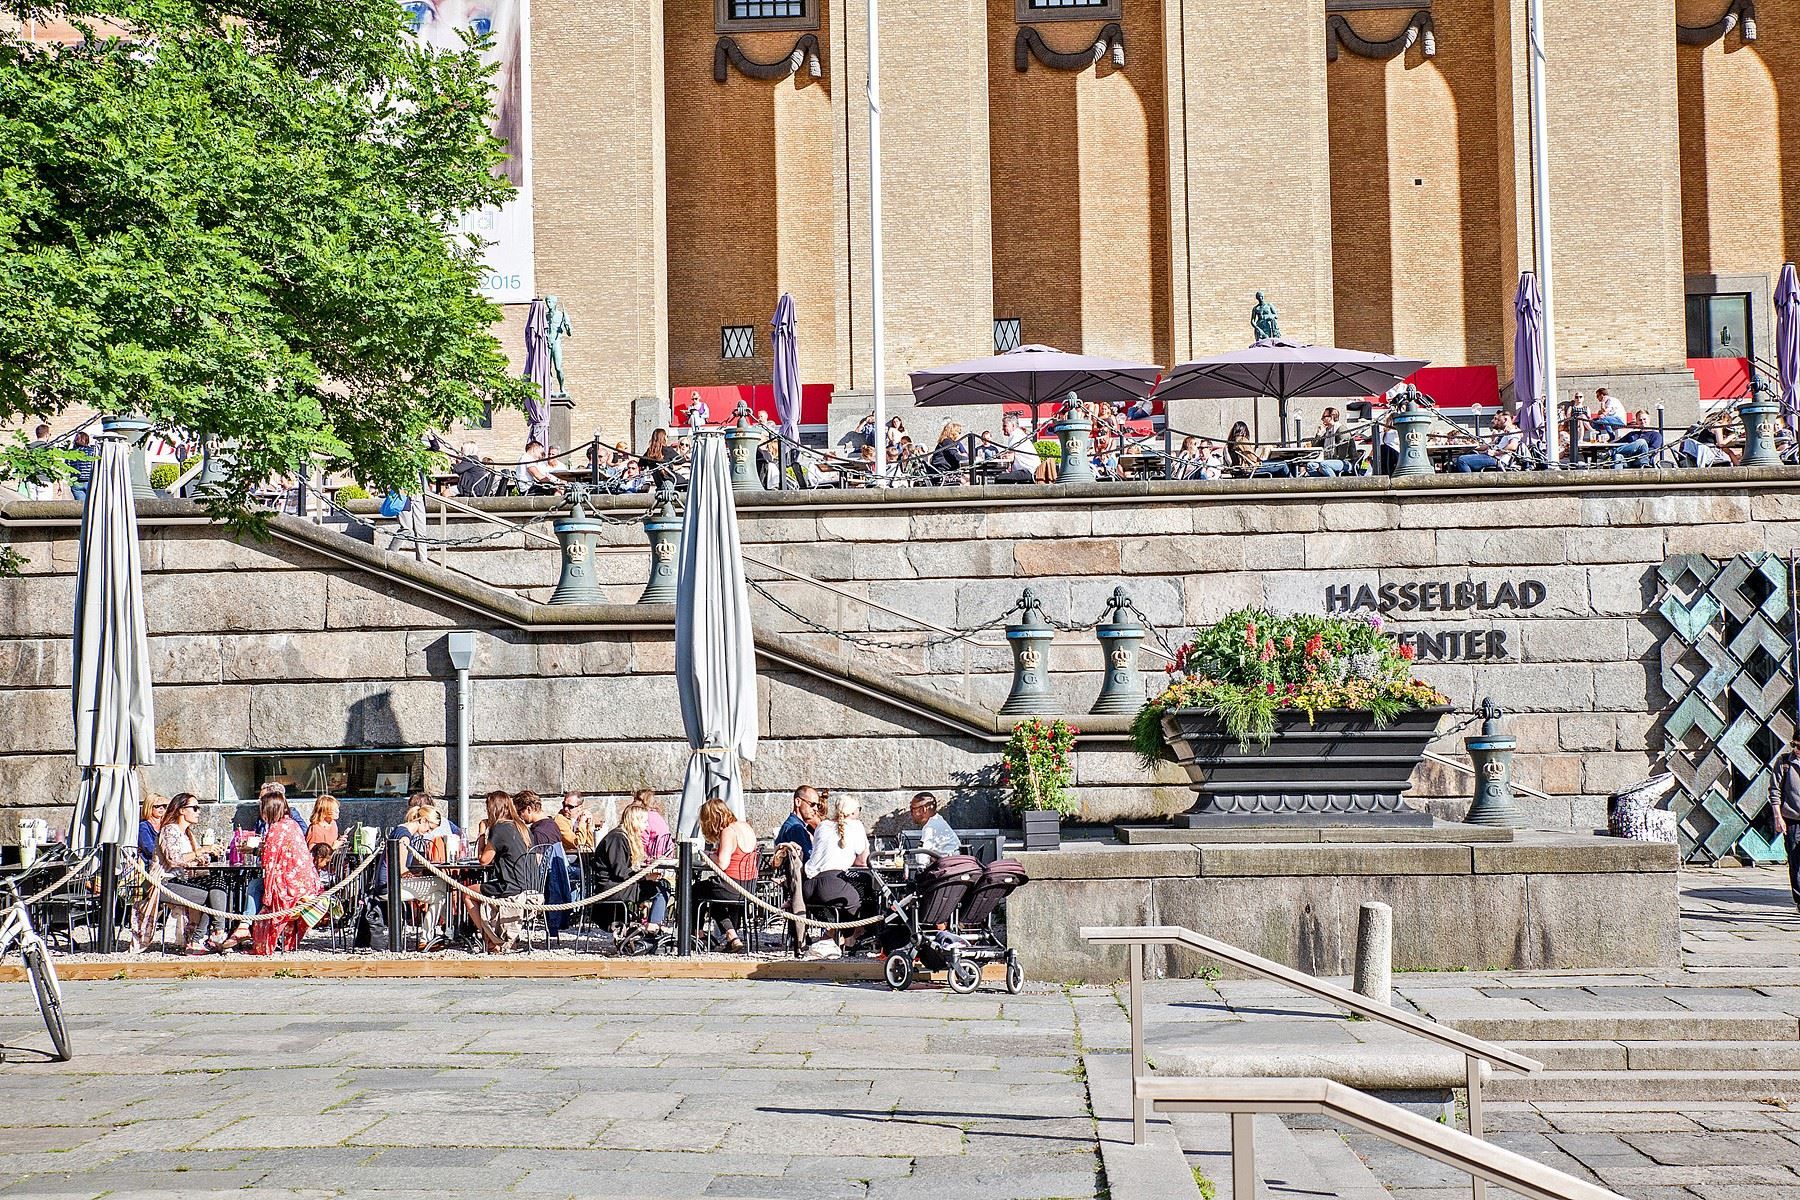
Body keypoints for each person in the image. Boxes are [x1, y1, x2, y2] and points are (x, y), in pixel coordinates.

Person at [155, 793, 237, 955]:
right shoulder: (170, 830)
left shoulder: (187, 834)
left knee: (219, 884)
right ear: (181, 810)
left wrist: (207, 856)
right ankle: (202, 938)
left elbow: (191, 861)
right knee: (210, 896)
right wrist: (202, 850)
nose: (198, 811)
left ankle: (215, 933)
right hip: (165, 883)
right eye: (195, 808)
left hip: (182, 881)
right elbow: (174, 859)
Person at [251, 790, 323, 955]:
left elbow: (268, 864)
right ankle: (285, 941)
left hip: (290, 891)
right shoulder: (292, 825)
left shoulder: (276, 829)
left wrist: (268, 896)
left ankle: (244, 927)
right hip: (308, 886)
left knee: (254, 887)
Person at [471, 790, 540, 953]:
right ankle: (497, 936)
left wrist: (482, 832)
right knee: (477, 889)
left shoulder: (500, 828)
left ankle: (490, 939)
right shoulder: (521, 826)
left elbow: (483, 860)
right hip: (531, 885)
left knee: (466, 893)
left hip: (511, 887)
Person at [802, 795, 871, 959]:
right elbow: (863, 861)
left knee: (851, 895)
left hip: (809, 887)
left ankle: (838, 938)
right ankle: (849, 938)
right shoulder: (856, 826)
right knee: (866, 892)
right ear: (854, 812)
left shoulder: (822, 825)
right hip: (832, 886)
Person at [592, 805, 670, 936]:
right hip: (611, 888)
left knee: (662, 885)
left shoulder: (621, 836)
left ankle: (651, 924)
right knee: (661, 888)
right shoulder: (617, 838)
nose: (646, 826)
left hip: (617, 883)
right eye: (644, 822)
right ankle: (652, 927)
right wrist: (645, 877)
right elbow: (621, 872)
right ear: (635, 821)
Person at [693, 799, 756, 952]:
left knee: (696, 890)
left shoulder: (728, 831)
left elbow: (722, 863)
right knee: (712, 892)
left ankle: (698, 936)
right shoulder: (745, 826)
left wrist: (706, 855)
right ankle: (732, 937)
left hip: (732, 886)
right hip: (748, 886)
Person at [1451, 411, 1524, 472]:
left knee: (1462, 460)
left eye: (1499, 420)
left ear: (1505, 419)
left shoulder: (1513, 431)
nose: (1497, 422)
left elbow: (1513, 446)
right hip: (1491, 456)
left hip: (1496, 459)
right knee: (1461, 458)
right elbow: (1488, 446)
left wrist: (1496, 452)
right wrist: (1471, 447)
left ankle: (1470, 482)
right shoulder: (1504, 433)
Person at [1775, 740, 1800, 912]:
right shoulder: (1784, 762)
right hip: (1792, 819)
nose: (1796, 750)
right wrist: (1778, 817)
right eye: (1795, 746)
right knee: (1796, 861)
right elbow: (1774, 791)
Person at [1225, 421, 1291, 478]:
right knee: (1283, 464)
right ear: (1244, 431)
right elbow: (1253, 459)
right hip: (1251, 468)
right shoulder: (1242, 440)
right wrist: (1265, 457)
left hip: (1242, 470)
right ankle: (1292, 482)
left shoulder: (1231, 443)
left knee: (1279, 462)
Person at [626, 788, 674, 860]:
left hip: (652, 859)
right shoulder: (656, 815)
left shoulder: (644, 817)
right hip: (666, 855)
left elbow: (642, 842)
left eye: (635, 800)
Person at [909, 792, 961, 856]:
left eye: (912, 809)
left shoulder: (930, 828)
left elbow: (921, 859)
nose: (911, 813)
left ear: (923, 809)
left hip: (948, 864)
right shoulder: (937, 820)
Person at [775, 786, 820, 861]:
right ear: (798, 802)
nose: (816, 809)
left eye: (817, 805)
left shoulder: (792, 824)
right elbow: (808, 859)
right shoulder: (796, 828)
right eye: (812, 804)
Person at [136, 794, 166, 861]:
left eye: (164, 806)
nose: (162, 808)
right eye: (157, 806)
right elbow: (149, 850)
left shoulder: (166, 825)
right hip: (151, 864)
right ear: (149, 807)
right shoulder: (143, 826)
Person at [69, 431, 95, 504]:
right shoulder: (93, 451)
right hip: (90, 481)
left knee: (81, 508)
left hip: (75, 482)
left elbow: (67, 466)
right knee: (93, 506)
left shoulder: (70, 453)